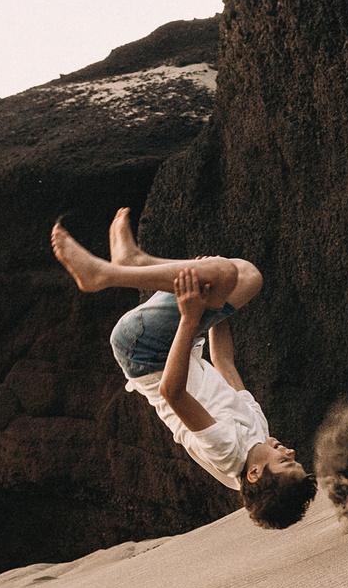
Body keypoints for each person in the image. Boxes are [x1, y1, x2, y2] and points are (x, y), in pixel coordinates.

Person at [51, 209, 317, 529]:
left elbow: (171, 392)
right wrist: (219, 310)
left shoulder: (227, 452)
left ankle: (104, 275)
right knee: (245, 278)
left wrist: (192, 317)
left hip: (144, 352)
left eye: (285, 461)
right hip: (170, 347)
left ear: (255, 473)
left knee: (222, 273)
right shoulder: (258, 434)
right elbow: (225, 363)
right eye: (294, 457)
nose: (288, 449)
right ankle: (134, 261)